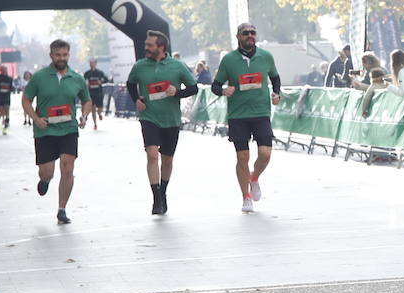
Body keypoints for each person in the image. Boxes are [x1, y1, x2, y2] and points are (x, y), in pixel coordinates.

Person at [211, 22, 282, 213]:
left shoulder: (266, 56)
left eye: (253, 33)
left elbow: (275, 77)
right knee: (243, 156)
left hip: (261, 113)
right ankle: (246, 197)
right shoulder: (229, 60)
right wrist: (224, 90)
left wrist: (277, 94)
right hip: (238, 115)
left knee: (265, 154)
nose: (250, 36)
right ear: (238, 37)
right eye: (245, 33)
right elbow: (215, 85)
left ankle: (254, 177)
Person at [126, 30, 199, 215]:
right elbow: (130, 83)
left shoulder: (177, 66)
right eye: (146, 45)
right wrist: (137, 99)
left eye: (150, 45)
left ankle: (163, 192)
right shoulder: (140, 66)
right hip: (149, 117)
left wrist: (178, 93)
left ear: (161, 47)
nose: (146, 48)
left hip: (171, 119)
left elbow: (193, 88)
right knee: (152, 155)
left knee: (167, 160)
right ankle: (156, 198)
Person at [21, 40, 90, 224]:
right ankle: (45, 180)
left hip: (68, 128)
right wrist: (36, 119)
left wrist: (84, 116)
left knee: (68, 169)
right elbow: (26, 100)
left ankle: (62, 209)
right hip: (45, 130)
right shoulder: (39, 77)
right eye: (58, 55)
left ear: (69, 55)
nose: (61, 58)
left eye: (65, 55)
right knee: (47, 172)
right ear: (51, 55)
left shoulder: (77, 78)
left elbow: (86, 100)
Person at [82, 59, 110, 129]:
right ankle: (95, 124)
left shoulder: (100, 73)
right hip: (91, 93)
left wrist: (101, 82)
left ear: (96, 64)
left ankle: (99, 113)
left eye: (93, 63)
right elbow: (82, 81)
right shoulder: (87, 73)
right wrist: (86, 84)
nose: (92, 64)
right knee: (93, 109)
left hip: (99, 93)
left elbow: (107, 79)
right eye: (90, 63)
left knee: (99, 108)